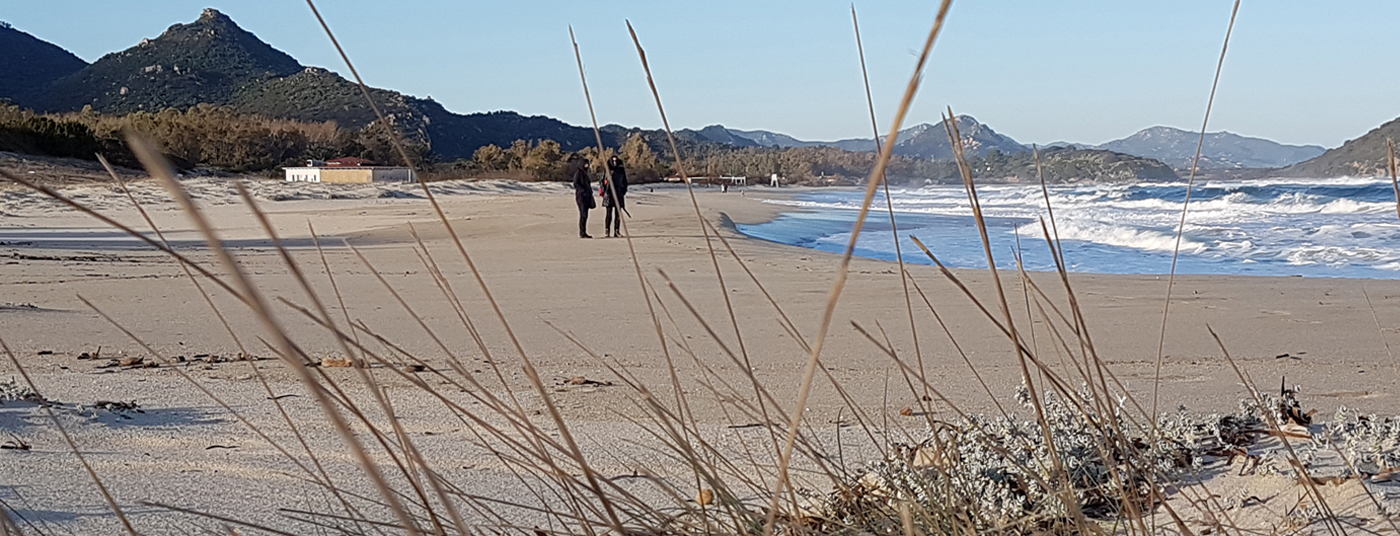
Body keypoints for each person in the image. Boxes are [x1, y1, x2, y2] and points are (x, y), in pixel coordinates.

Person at [600, 155, 629, 237]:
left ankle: (617, 231)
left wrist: (623, 191)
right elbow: (602, 181)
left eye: (616, 161)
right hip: (609, 193)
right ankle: (607, 231)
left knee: (618, 214)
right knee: (608, 214)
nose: (615, 162)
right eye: (613, 161)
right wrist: (605, 189)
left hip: (619, 193)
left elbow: (625, 182)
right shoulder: (607, 170)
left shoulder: (621, 170)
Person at [569, 154, 595, 238]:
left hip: (587, 196)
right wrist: (583, 191)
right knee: (583, 214)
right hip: (581, 196)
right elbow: (576, 183)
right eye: (586, 164)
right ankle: (582, 232)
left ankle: (584, 232)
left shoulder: (585, 173)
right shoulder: (578, 173)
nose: (587, 165)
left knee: (585, 215)